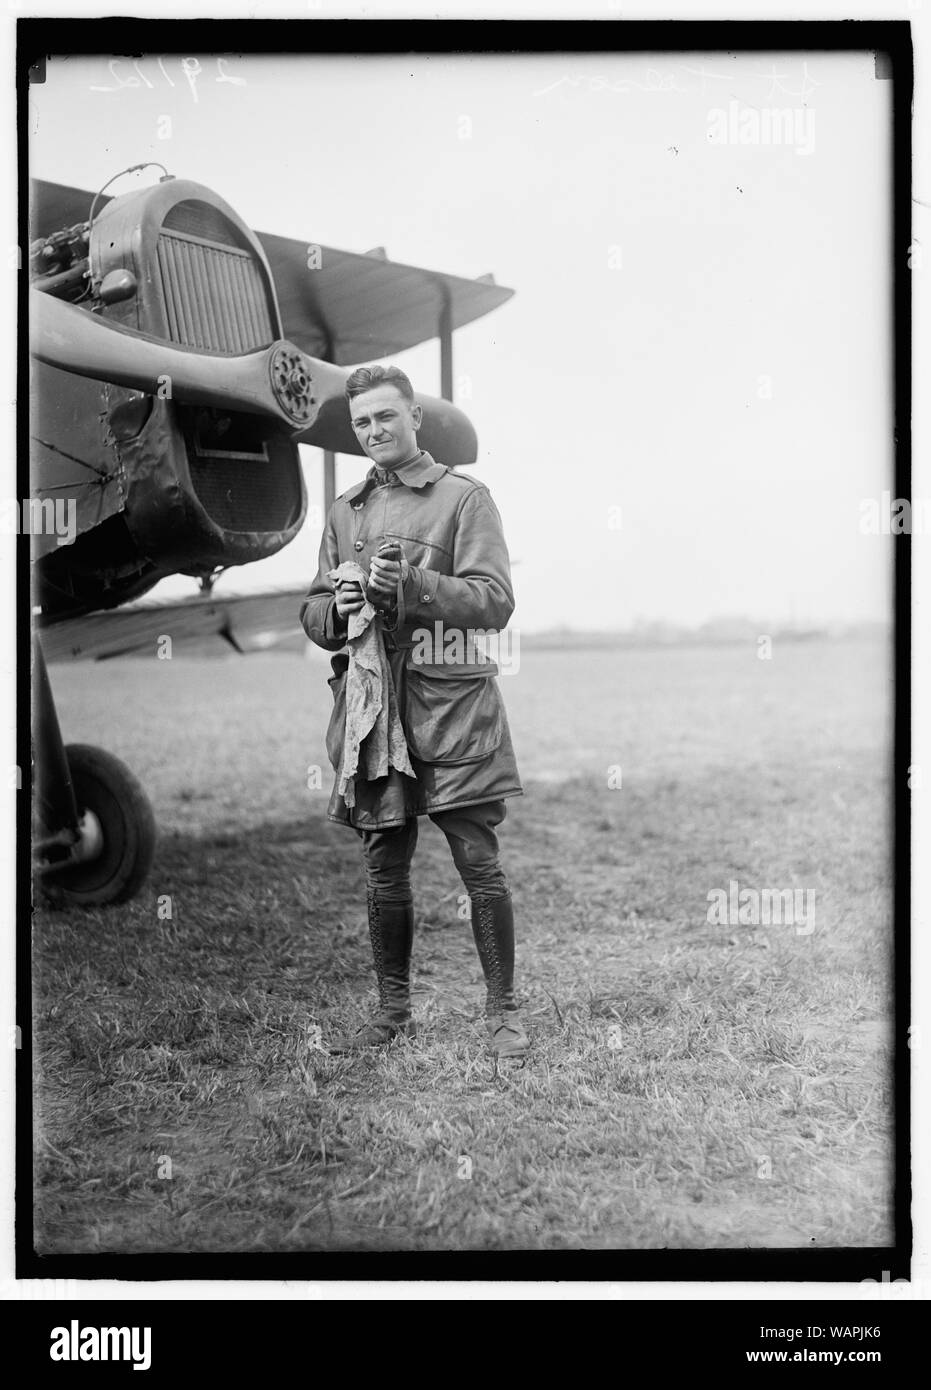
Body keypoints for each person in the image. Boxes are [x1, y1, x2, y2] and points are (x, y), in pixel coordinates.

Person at [299, 364, 528, 1059]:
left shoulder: (464, 497)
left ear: (414, 417)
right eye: (363, 423)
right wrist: (333, 614)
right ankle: (391, 1013)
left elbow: (494, 601)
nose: (374, 432)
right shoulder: (345, 510)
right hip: (373, 712)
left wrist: (417, 584)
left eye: (385, 418)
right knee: (382, 866)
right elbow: (311, 613)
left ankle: (503, 1013)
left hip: (451, 706)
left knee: (477, 863)